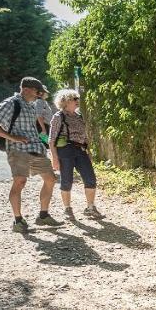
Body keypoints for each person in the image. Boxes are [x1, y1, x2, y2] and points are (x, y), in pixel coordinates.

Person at [0, 77, 61, 232]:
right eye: (37, 92)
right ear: (26, 89)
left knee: (51, 179)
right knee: (20, 181)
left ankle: (43, 216)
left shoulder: (31, 106)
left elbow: (32, 130)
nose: (39, 95)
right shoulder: (11, 103)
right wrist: (13, 138)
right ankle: (18, 221)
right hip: (18, 150)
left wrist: (46, 143)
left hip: (36, 149)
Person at [48, 89, 103, 219]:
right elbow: (51, 139)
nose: (77, 101)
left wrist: (87, 151)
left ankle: (90, 207)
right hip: (65, 150)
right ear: (65, 102)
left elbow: (84, 136)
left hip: (81, 150)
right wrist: (54, 158)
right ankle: (67, 209)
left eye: (77, 99)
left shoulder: (79, 116)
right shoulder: (58, 117)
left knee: (90, 178)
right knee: (67, 181)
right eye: (74, 99)